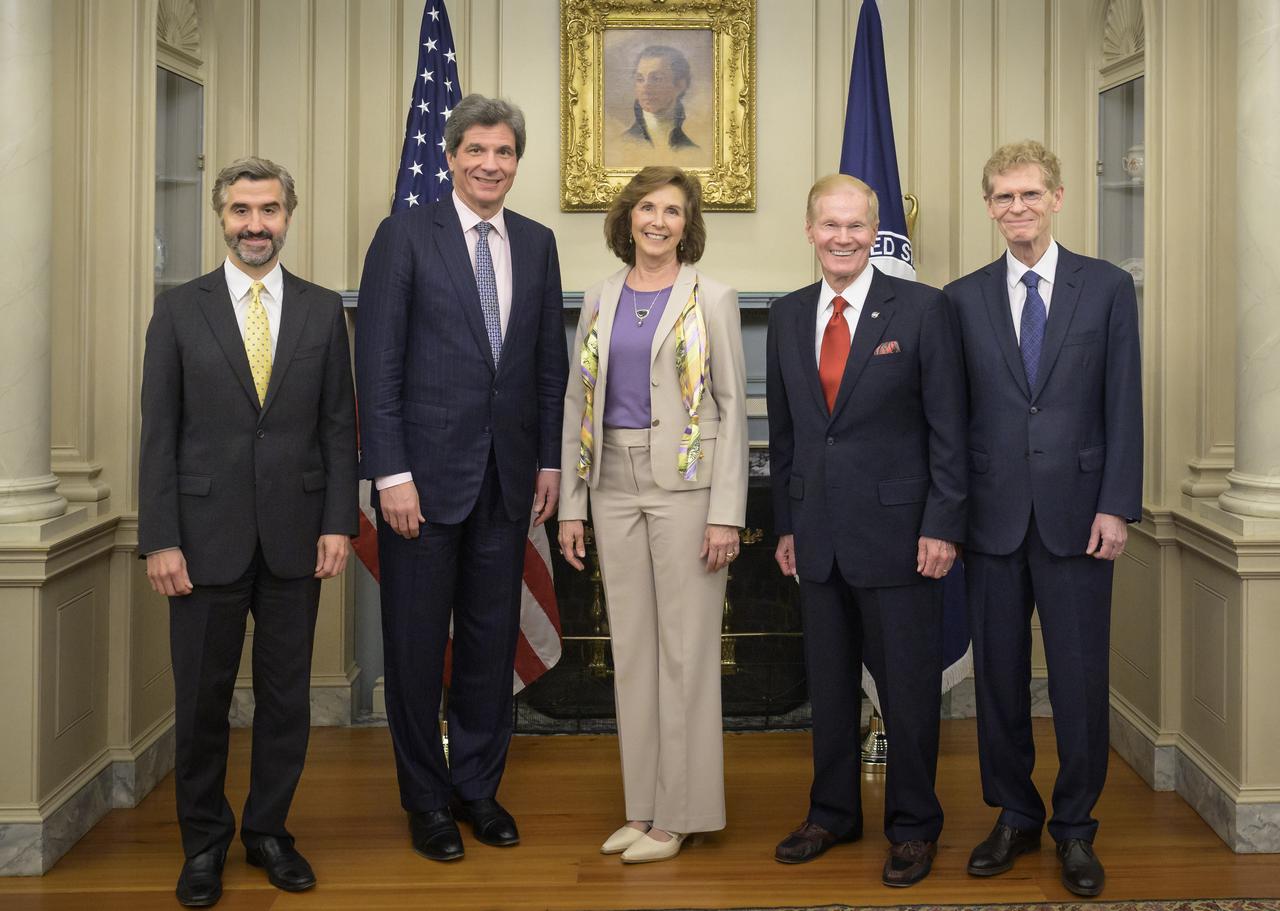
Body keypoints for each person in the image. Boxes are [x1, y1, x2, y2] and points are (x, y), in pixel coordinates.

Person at [139, 156, 358, 907]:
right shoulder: (178, 309)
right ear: (221, 216)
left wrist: (339, 523)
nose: (255, 224)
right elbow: (157, 434)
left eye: (268, 210)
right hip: (200, 541)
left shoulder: (324, 309)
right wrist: (161, 537)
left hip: (299, 536)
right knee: (201, 703)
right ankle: (203, 843)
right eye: (241, 210)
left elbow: (338, 429)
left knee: (286, 698)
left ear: (288, 216)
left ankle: (268, 831)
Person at [355, 94, 568, 863]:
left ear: (517, 161)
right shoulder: (405, 235)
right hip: (422, 484)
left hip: (509, 484)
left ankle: (477, 787)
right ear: (449, 157)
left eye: (504, 151)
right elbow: (376, 365)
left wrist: (548, 461)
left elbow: (549, 367)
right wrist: (392, 474)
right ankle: (426, 800)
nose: (489, 164)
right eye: (475, 150)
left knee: (488, 642)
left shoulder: (538, 245)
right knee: (415, 648)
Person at [944, 140, 1141, 898]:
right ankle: (1015, 816)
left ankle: (1076, 829)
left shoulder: (1108, 288)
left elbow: (1124, 404)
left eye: (1030, 194)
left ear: (1058, 197)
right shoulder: (960, 300)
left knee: (1080, 683)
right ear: (988, 206)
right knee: (996, 679)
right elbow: (952, 422)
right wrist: (952, 518)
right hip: (990, 523)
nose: (1017, 208)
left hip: (1081, 519)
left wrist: (1117, 504)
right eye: (1003, 197)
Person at [766, 174, 966, 887]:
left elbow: (949, 429)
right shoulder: (787, 316)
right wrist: (786, 523)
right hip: (816, 538)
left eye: (855, 225)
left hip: (903, 537)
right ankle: (833, 812)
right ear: (811, 229)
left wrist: (943, 525)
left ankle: (912, 826)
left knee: (908, 693)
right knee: (827, 688)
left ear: (874, 229)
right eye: (829, 224)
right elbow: (787, 439)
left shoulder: (920, 308)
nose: (842, 237)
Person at [558, 166, 747, 864]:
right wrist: (572, 506)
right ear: (628, 216)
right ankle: (642, 807)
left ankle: (682, 813)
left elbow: (729, 407)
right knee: (631, 652)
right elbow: (579, 402)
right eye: (647, 207)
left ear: (687, 223)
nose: (659, 220)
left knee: (686, 652)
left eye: (673, 209)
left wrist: (727, 513)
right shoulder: (600, 297)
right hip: (611, 481)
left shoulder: (712, 297)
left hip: (687, 487)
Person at [621, 45, 699, 151]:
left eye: (657, 79)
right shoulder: (621, 145)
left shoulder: (692, 150)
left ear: (680, 85)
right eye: (640, 79)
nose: (645, 88)